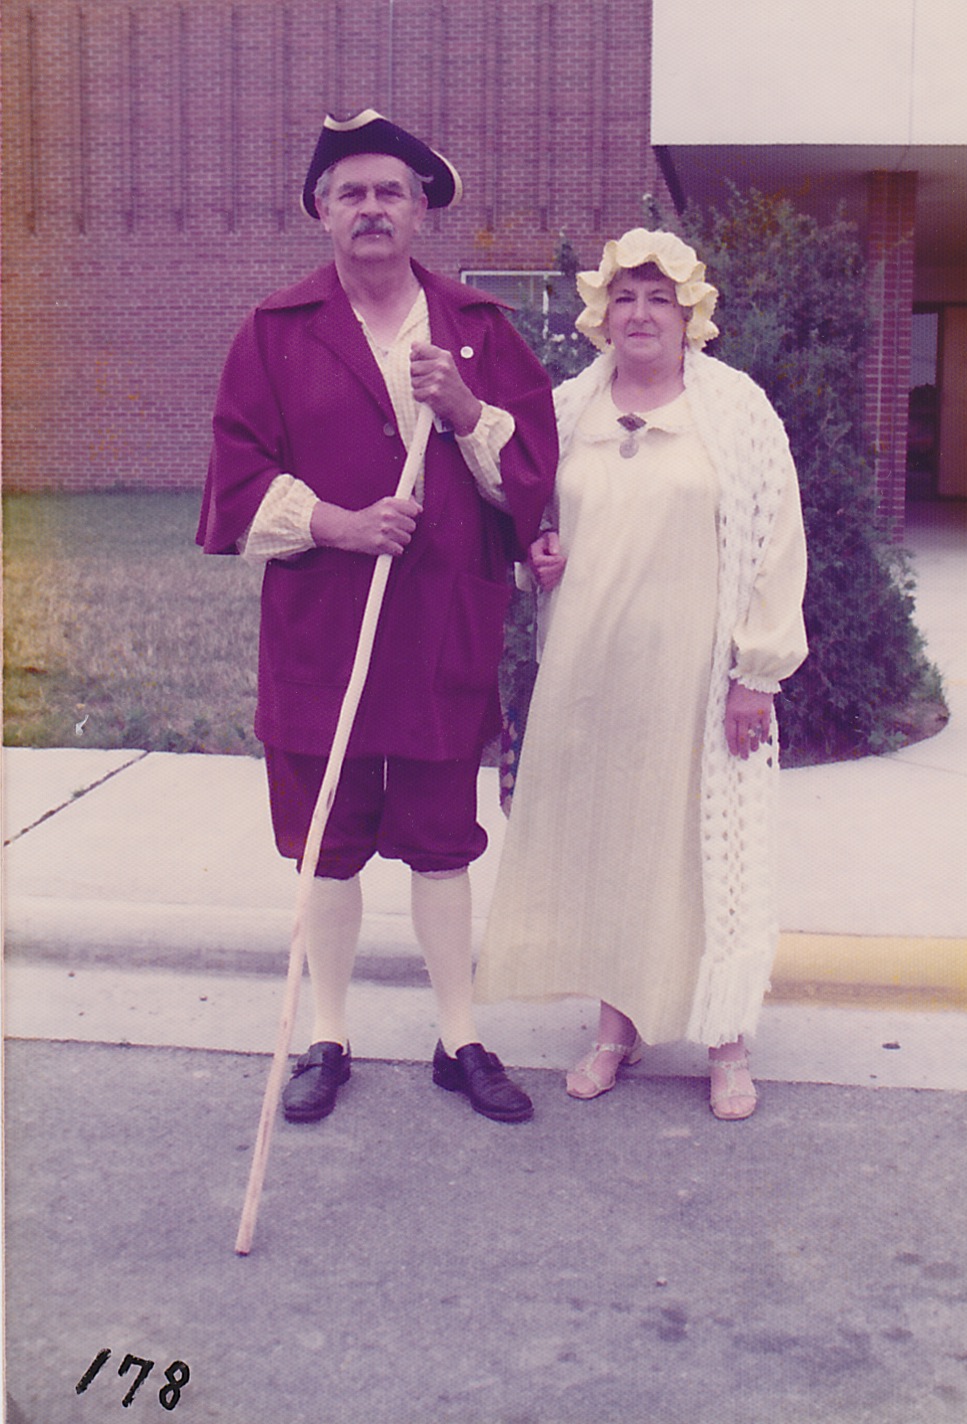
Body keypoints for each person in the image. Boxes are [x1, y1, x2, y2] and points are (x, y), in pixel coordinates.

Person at [198, 110, 557, 1125]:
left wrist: (462, 411)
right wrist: (338, 524)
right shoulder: (275, 331)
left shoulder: (476, 330)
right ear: (320, 210)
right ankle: (330, 1033)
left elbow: (527, 481)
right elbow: (234, 481)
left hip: (444, 621)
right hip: (323, 628)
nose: (370, 208)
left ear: (421, 209)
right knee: (329, 835)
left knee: (442, 836)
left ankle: (459, 1035)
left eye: (389, 191)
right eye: (349, 192)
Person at [475, 228, 808, 1120]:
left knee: (702, 853)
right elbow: (534, 520)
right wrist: (537, 555)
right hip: (591, 671)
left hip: (696, 681)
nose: (642, 312)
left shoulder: (736, 414)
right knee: (616, 848)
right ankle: (615, 1027)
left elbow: (778, 545)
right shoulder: (568, 407)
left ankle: (726, 1041)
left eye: (660, 297)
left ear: (690, 312)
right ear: (602, 314)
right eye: (625, 296)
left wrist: (757, 674)